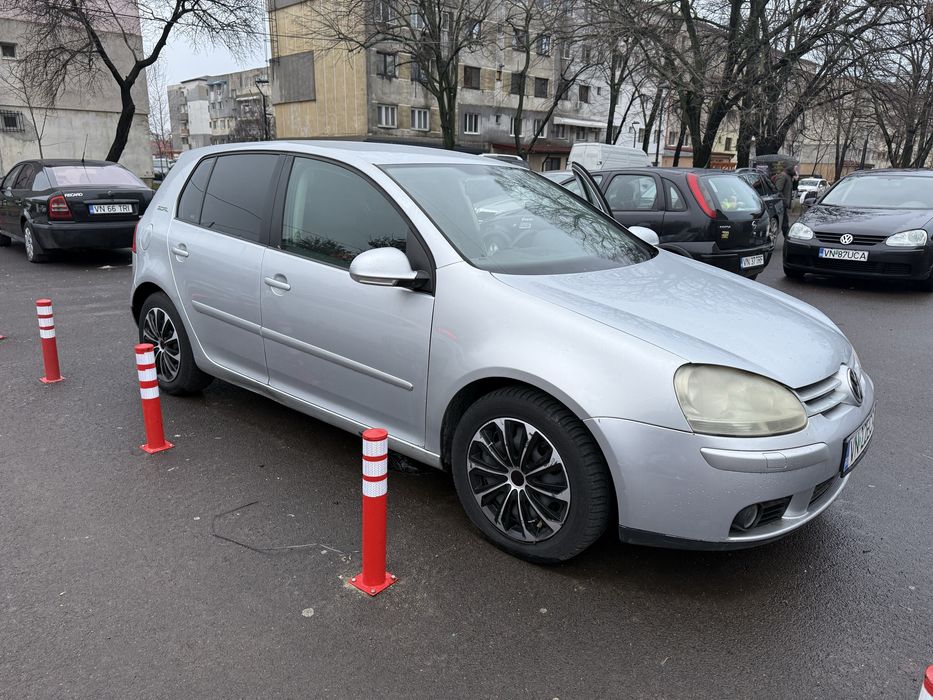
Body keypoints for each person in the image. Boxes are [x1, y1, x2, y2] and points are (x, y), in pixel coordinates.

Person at [773, 166, 795, 234]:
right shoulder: (783, 176)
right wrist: (784, 200)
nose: (795, 171)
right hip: (781, 203)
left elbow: (791, 189)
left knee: (784, 223)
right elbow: (777, 190)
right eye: (794, 169)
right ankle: (787, 241)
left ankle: (787, 240)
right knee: (784, 224)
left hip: (783, 204)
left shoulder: (788, 177)